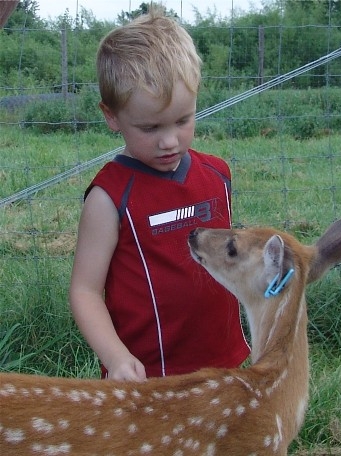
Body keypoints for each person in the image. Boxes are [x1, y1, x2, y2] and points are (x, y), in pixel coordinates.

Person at [69, 8, 250, 382]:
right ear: (112, 116)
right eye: (150, 127)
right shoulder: (109, 198)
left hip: (224, 366)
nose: (169, 142)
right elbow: (85, 291)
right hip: (149, 381)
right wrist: (116, 358)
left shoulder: (218, 175)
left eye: (183, 121)